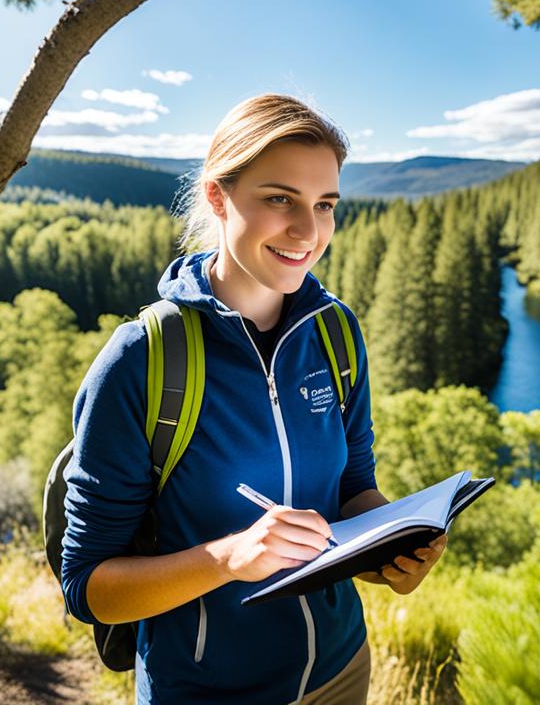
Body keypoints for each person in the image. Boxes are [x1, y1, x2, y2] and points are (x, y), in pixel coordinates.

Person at [60, 93, 448, 704]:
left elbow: (353, 488)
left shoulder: (335, 333)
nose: (308, 231)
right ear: (218, 197)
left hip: (342, 669)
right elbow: (88, 588)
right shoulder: (142, 360)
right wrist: (230, 557)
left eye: (324, 205)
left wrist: (392, 547)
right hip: (206, 692)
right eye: (279, 199)